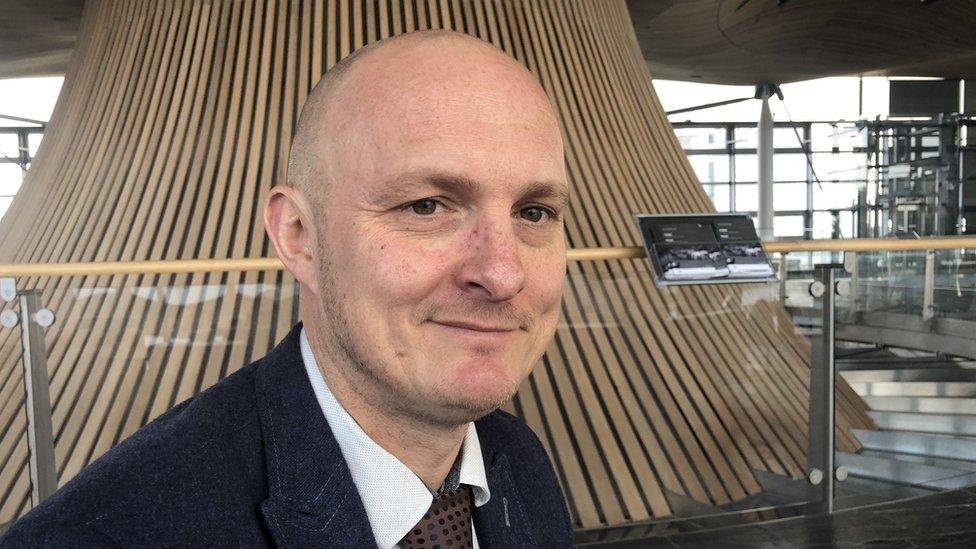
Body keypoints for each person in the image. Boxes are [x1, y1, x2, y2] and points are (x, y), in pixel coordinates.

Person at [1, 30, 573, 548]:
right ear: (299, 236)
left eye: (536, 211)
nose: (503, 274)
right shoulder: (106, 534)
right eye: (426, 205)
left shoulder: (515, 461)